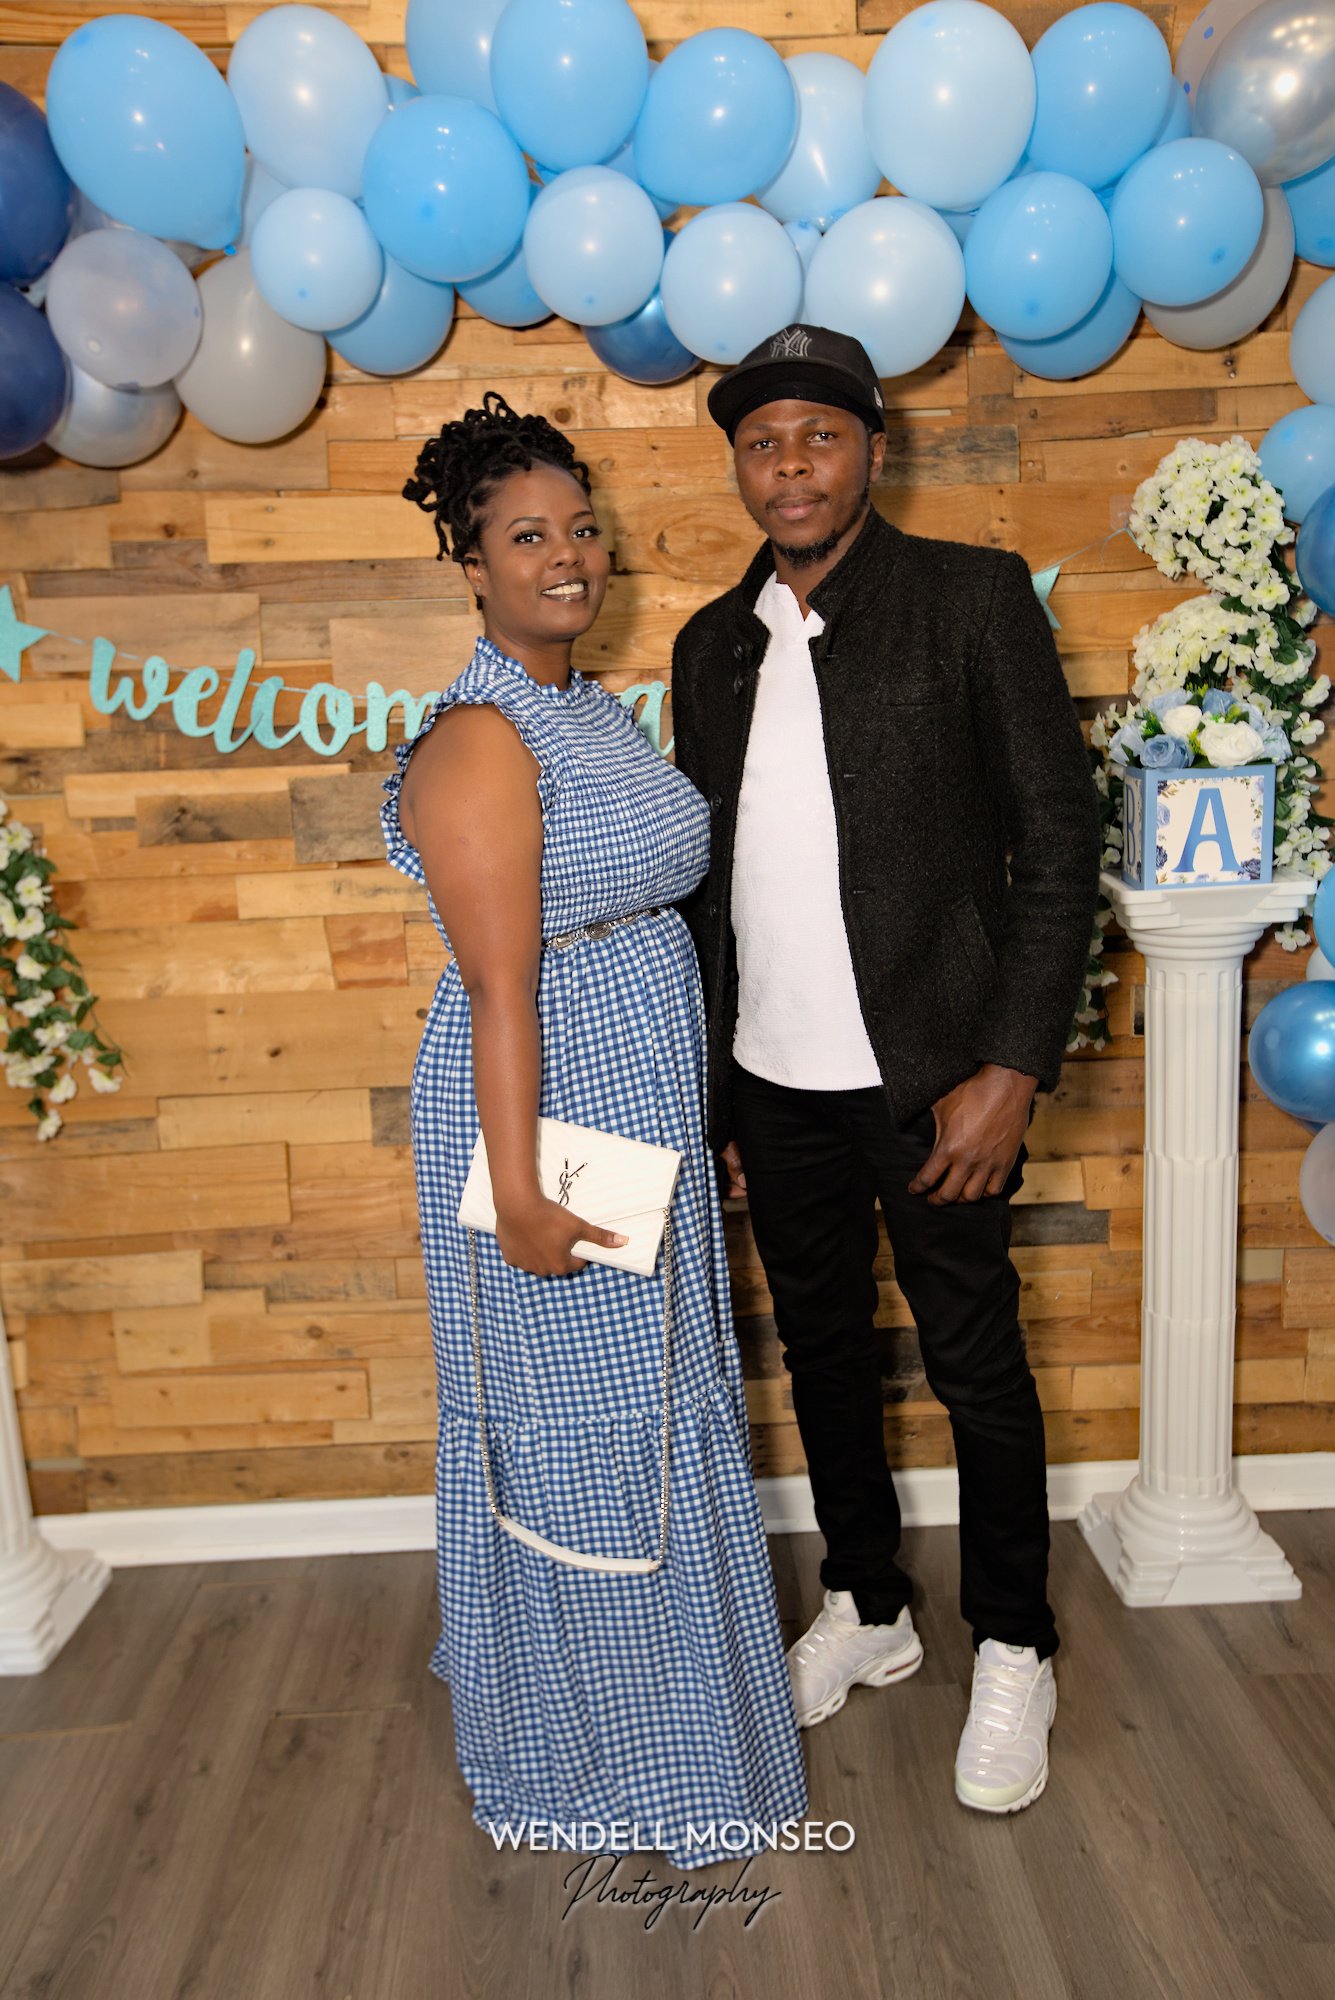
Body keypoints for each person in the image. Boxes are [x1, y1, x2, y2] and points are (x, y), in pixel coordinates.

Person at [668, 325, 1102, 1816]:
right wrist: (716, 1096)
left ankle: (1016, 1643)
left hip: (935, 1080)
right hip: (770, 1079)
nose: (789, 466)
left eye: (819, 436)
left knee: (977, 1365)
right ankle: (867, 1604)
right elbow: (706, 892)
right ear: (740, 466)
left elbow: (1059, 845)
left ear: (872, 448)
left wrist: (1013, 1067)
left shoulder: (972, 599)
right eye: (761, 442)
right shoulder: (709, 644)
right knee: (823, 1353)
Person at [381, 392, 806, 1870]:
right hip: (550, 1126)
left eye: (579, 528)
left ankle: (687, 1736)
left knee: (654, 1415)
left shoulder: (584, 711)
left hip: (640, 1112)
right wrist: (517, 1193)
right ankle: (592, 1758)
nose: (565, 556)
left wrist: (705, 1110)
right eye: (525, 537)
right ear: (472, 566)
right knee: (582, 1437)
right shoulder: (482, 737)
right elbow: (502, 989)